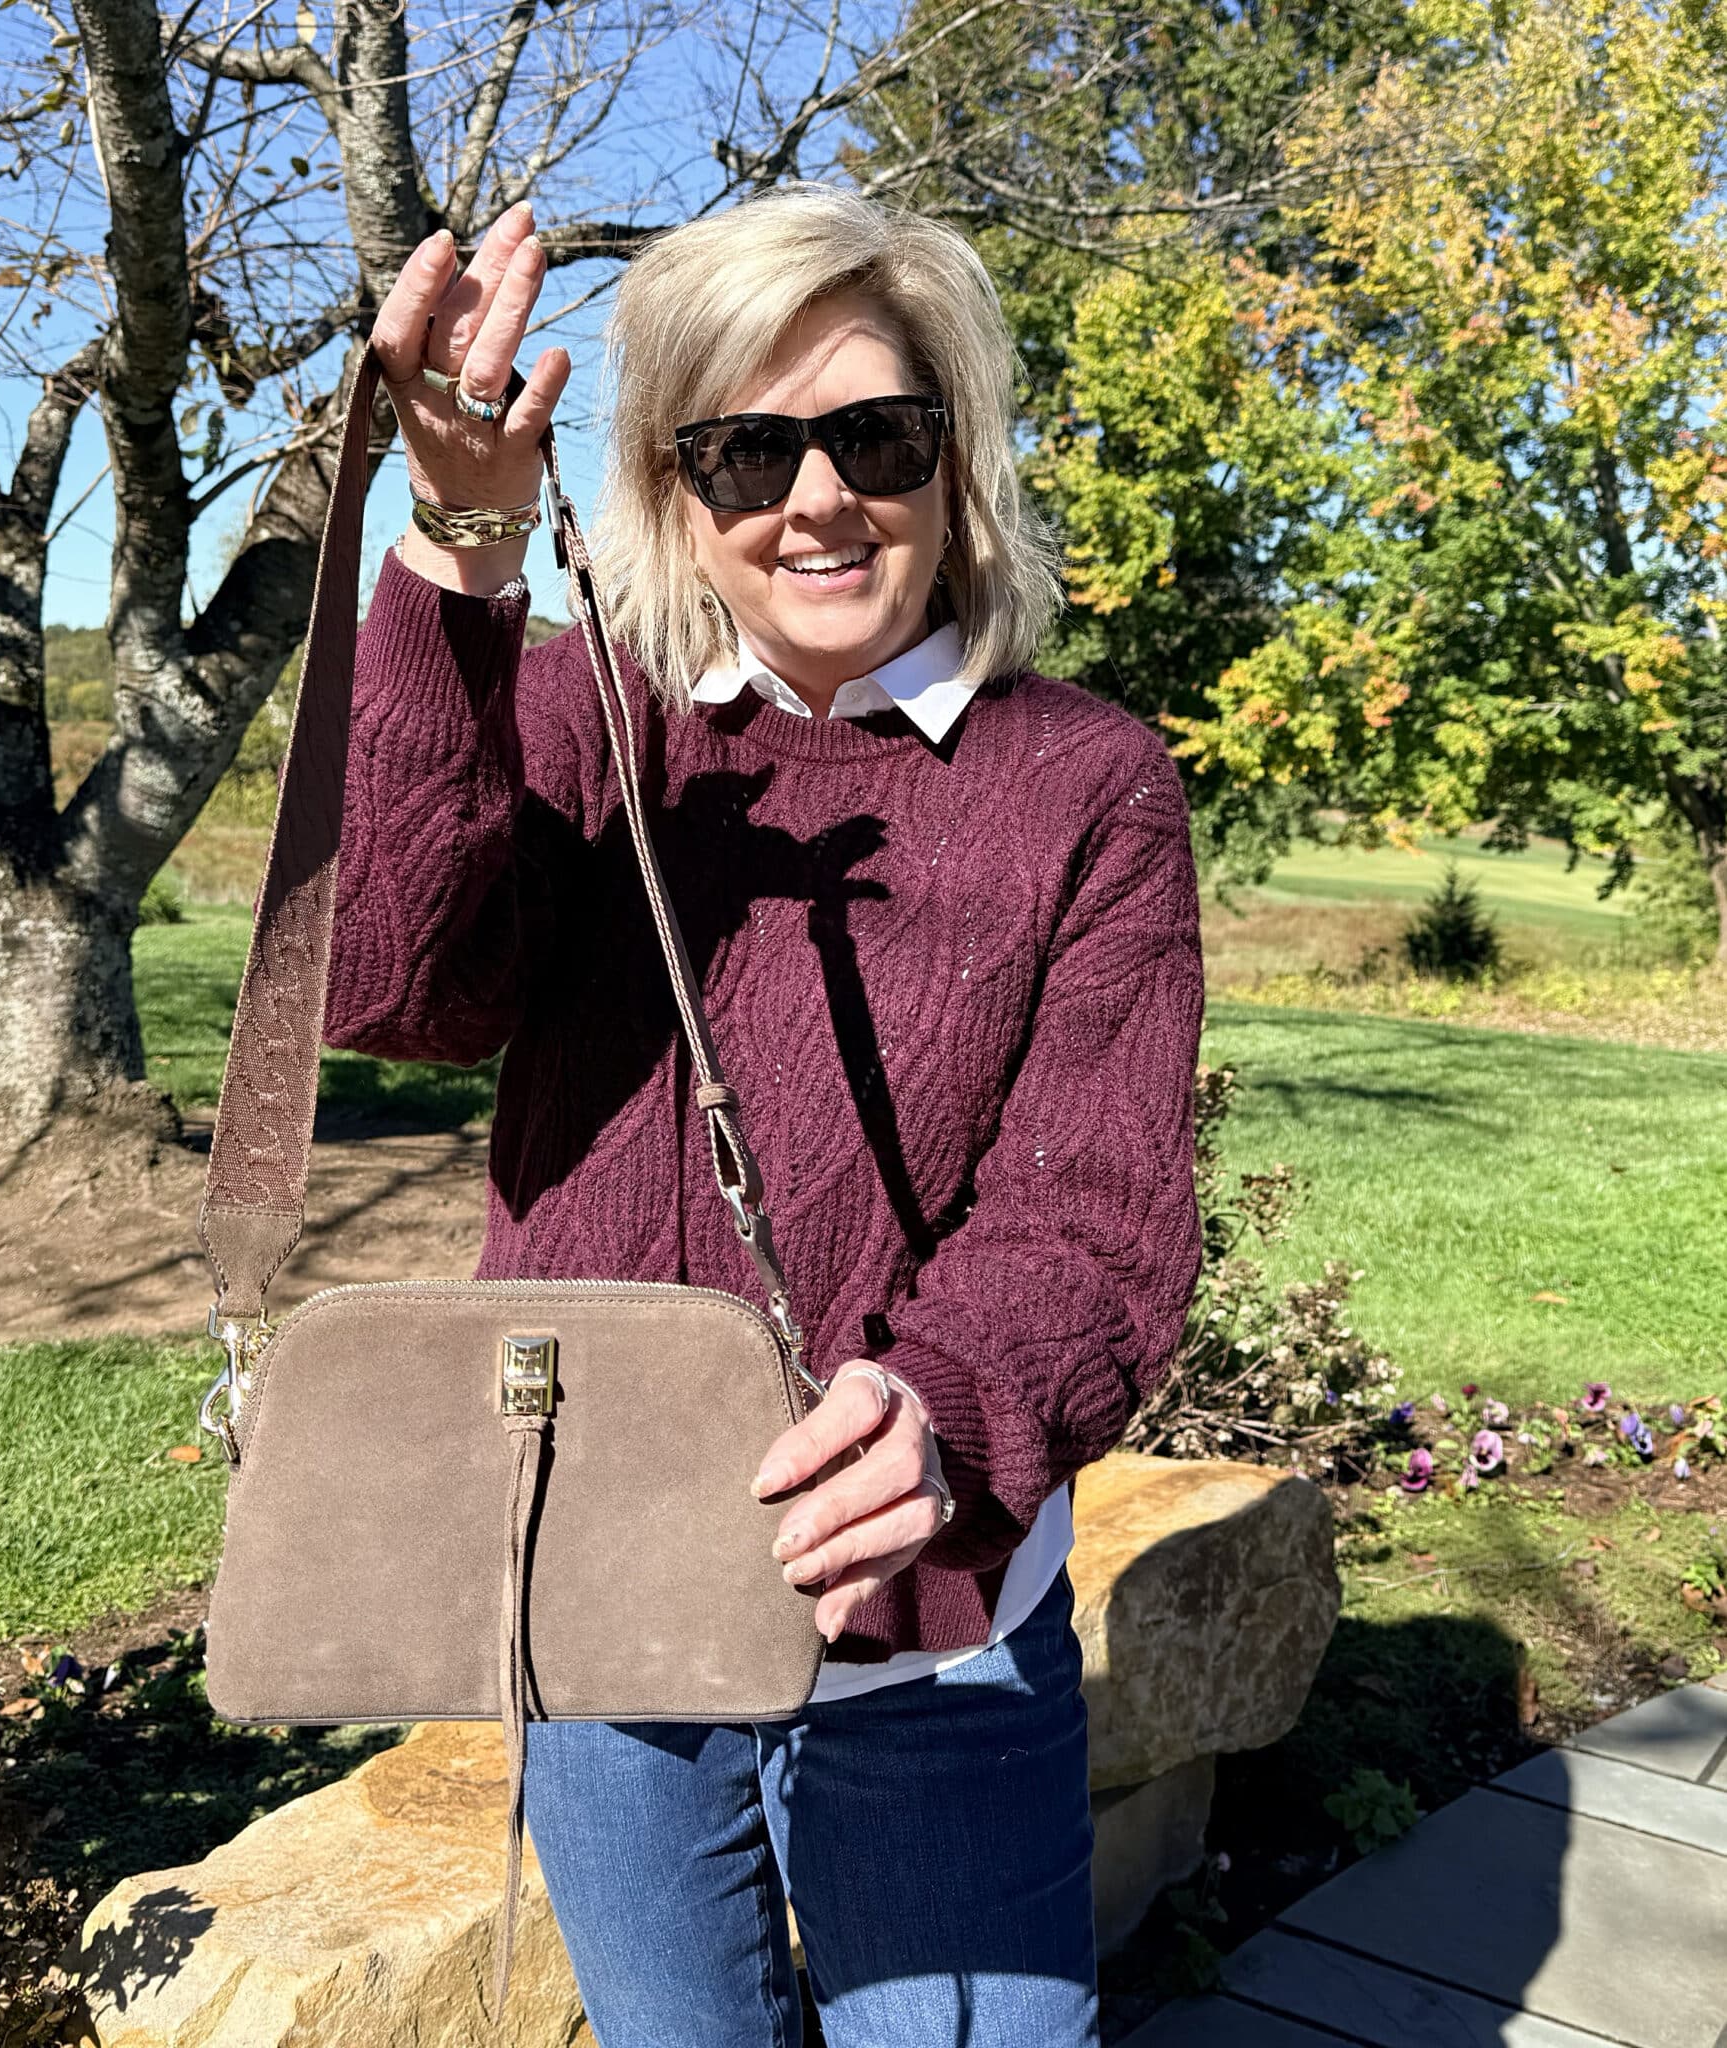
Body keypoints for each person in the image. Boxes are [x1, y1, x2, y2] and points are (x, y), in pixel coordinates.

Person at [323, 182, 1205, 2048]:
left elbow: (1098, 1214)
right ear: (671, 486)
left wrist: (951, 1409)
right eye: (746, 450)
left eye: (876, 437)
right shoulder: (583, 717)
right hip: (600, 1586)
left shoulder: (1090, 784)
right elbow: (402, 989)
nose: (815, 499)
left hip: (925, 1622)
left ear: (956, 458)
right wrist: (463, 565)